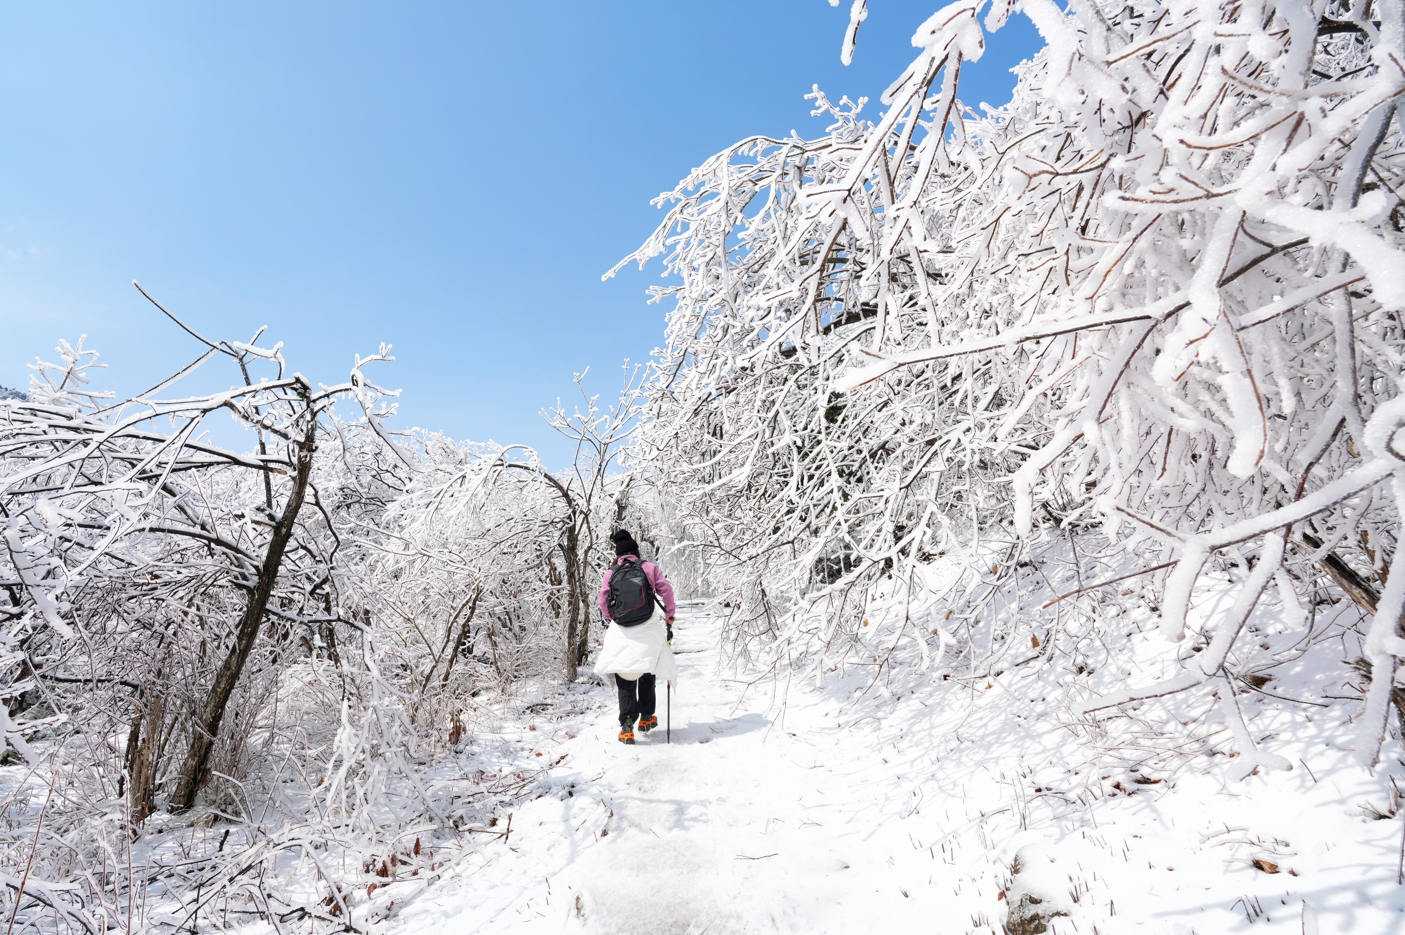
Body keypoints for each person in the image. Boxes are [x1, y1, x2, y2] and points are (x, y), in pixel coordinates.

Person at [594, 529, 677, 744]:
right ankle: (647, 718)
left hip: (620, 628)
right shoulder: (648, 568)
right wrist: (670, 614)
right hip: (647, 625)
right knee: (648, 669)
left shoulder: (610, 573)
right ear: (635, 550)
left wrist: (612, 617)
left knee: (625, 676)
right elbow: (665, 590)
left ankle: (627, 726)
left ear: (619, 554)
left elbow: (603, 602)